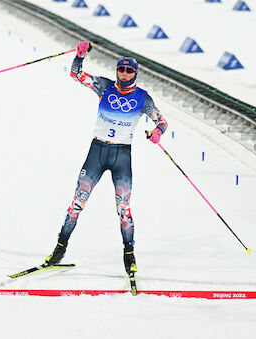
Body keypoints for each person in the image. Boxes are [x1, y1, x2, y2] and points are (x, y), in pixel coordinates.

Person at [44, 41, 168, 276]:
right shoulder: (104, 85)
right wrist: (80, 55)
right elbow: (76, 74)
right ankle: (59, 249)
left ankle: (129, 255)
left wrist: (157, 133)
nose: (124, 73)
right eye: (121, 69)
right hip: (97, 152)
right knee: (77, 203)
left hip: (122, 156)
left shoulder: (143, 98)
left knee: (123, 209)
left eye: (129, 70)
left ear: (135, 73)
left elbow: (161, 121)